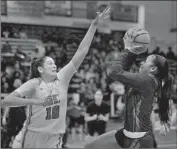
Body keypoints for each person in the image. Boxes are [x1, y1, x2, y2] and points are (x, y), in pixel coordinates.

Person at [1, 6, 111, 148]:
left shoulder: (62, 78)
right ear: (40, 69)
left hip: (54, 138)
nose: (54, 66)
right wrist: (34, 101)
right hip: (31, 137)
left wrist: (94, 25)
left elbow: (82, 51)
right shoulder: (33, 84)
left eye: (54, 63)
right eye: (50, 63)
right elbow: (6, 101)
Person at [85, 26, 173, 148]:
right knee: (90, 146)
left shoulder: (147, 81)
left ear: (153, 69)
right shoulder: (147, 81)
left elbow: (113, 71)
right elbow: (119, 71)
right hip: (127, 133)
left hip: (138, 139)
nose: (142, 62)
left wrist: (129, 50)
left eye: (146, 61)